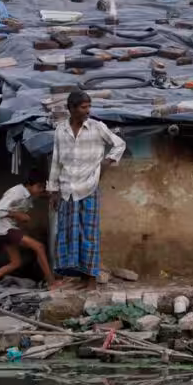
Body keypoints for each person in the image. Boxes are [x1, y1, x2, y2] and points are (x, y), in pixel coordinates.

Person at [47, 91, 126, 290]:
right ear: (71, 108)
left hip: (88, 188)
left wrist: (107, 163)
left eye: (89, 106)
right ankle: (81, 278)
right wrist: (53, 191)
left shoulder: (97, 127)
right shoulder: (60, 130)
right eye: (83, 107)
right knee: (69, 236)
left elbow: (119, 144)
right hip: (66, 191)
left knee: (88, 235)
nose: (87, 111)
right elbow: (56, 162)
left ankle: (91, 280)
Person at [0, 169, 58, 301]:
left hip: (8, 228)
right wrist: (18, 215)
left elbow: (39, 195)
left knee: (15, 263)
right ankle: (52, 283)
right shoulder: (16, 192)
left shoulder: (29, 193)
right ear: (29, 184)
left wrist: (51, 195)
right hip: (6, 228)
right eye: (39, 187)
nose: (40, 190)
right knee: (39, 247)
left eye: (43, 187)